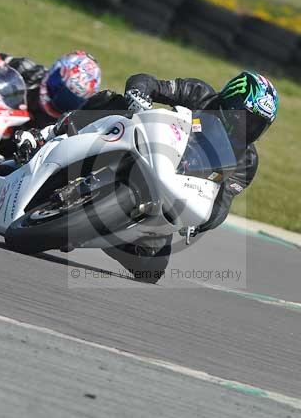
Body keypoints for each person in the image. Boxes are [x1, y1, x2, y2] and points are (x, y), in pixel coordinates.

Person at [18, 71, 279, 282]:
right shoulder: (200, 94)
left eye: (258, 125)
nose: (249, 128)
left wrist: (205, 221)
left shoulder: (246, 161)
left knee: (152, 269)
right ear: (228, 102)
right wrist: (140, 91)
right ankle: (47, 134)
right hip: (144, 147)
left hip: (169, 193)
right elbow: (151, 83)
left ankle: (93, 229)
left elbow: (223, 202)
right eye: (246, 118)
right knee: (112, 101)